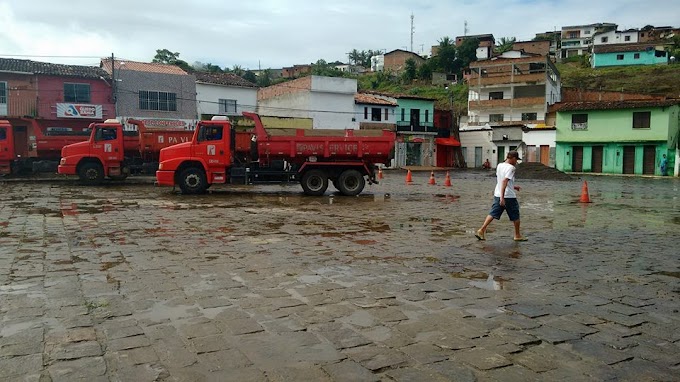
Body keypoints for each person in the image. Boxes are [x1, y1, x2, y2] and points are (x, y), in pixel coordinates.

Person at [475, 150, 527, 241]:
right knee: (516, 216)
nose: (516, 162)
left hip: (498, 194)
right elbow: (504, 181)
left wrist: (513, 187)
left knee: (492, 213)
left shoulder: (499, 165)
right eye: (516, 160)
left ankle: (482, 230)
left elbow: (501, 181)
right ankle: (517, 235)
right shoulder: (511, 168)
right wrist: (503, 198)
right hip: (508, 196)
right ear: (513, 158)